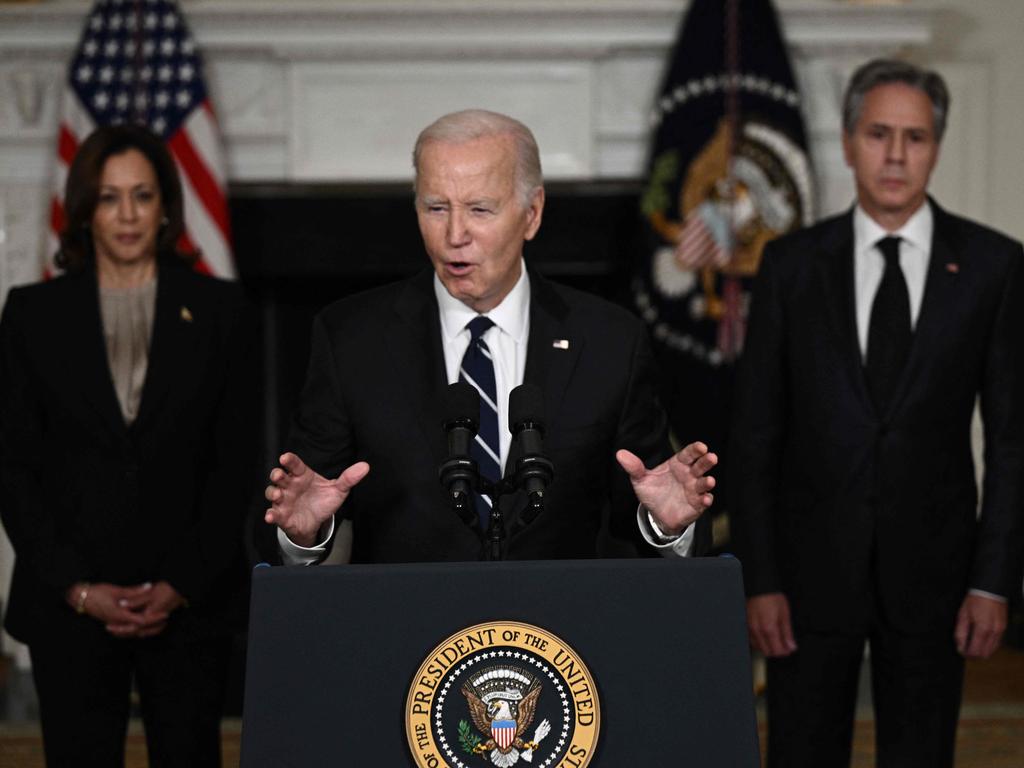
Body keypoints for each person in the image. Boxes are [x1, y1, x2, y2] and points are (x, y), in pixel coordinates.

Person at [730, 59, 1024, 767]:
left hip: (937, 578)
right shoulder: (790, 267)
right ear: (847, 140)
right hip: (805, 579)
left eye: (915, 138)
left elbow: (1014, 441)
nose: (896, 155)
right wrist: (759, 577)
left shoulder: (994, 267)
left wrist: (992, 581)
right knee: (799, 753)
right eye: (879, 134)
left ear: (937, 147)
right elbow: (755, 435)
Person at [264, 109, 717, 565]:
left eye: (480, 209)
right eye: (436, 208)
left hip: (559, 627)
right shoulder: (350, 339)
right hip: (406, 626)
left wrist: (667, 525)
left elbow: (645, 506)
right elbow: (304, 503)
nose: (454, 235)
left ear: (532, 214)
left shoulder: (609, 341)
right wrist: (305, 535)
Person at [0, 125, 255, 767]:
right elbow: (13, 466)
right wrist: (79, 589)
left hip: (189, 605)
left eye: (142, 195)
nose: (128, 214)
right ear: (84, 208)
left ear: (167, 205)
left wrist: (179, 583)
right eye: (110, 198)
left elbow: (236, 464)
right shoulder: (32, 314)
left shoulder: (220, 310)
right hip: (69, 605)